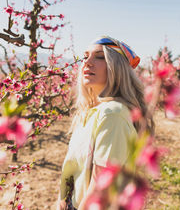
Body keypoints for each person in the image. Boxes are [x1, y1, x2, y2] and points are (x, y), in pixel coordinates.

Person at [58, 36, 150, 210]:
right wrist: (63, 201)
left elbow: (101, 190)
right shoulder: (90, 112)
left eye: (100, 57)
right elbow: (73, 167)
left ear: (117, 67)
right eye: (85, 57)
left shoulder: (112, 114)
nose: (87, 63)